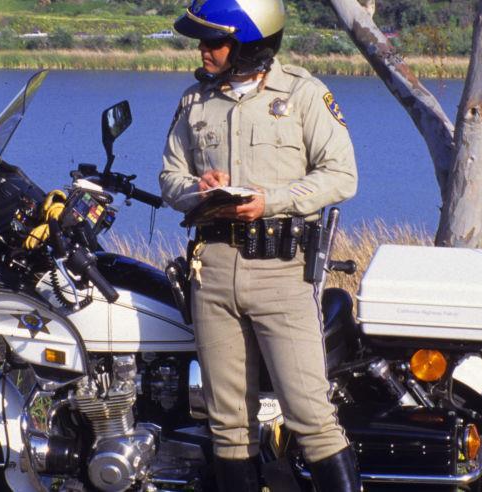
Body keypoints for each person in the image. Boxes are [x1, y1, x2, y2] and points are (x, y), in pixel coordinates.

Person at [159, 0, 359, 490]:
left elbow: (342, 176)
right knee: (227, 425)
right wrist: (198, 189)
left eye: (214, 42)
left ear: (249, 43)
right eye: (202, 41)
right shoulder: (194, 102)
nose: (203, 50)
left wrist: (272, 202)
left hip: (281, 274)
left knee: (310, 415)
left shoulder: (305, 96)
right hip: (213, 272)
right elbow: (170, 176)